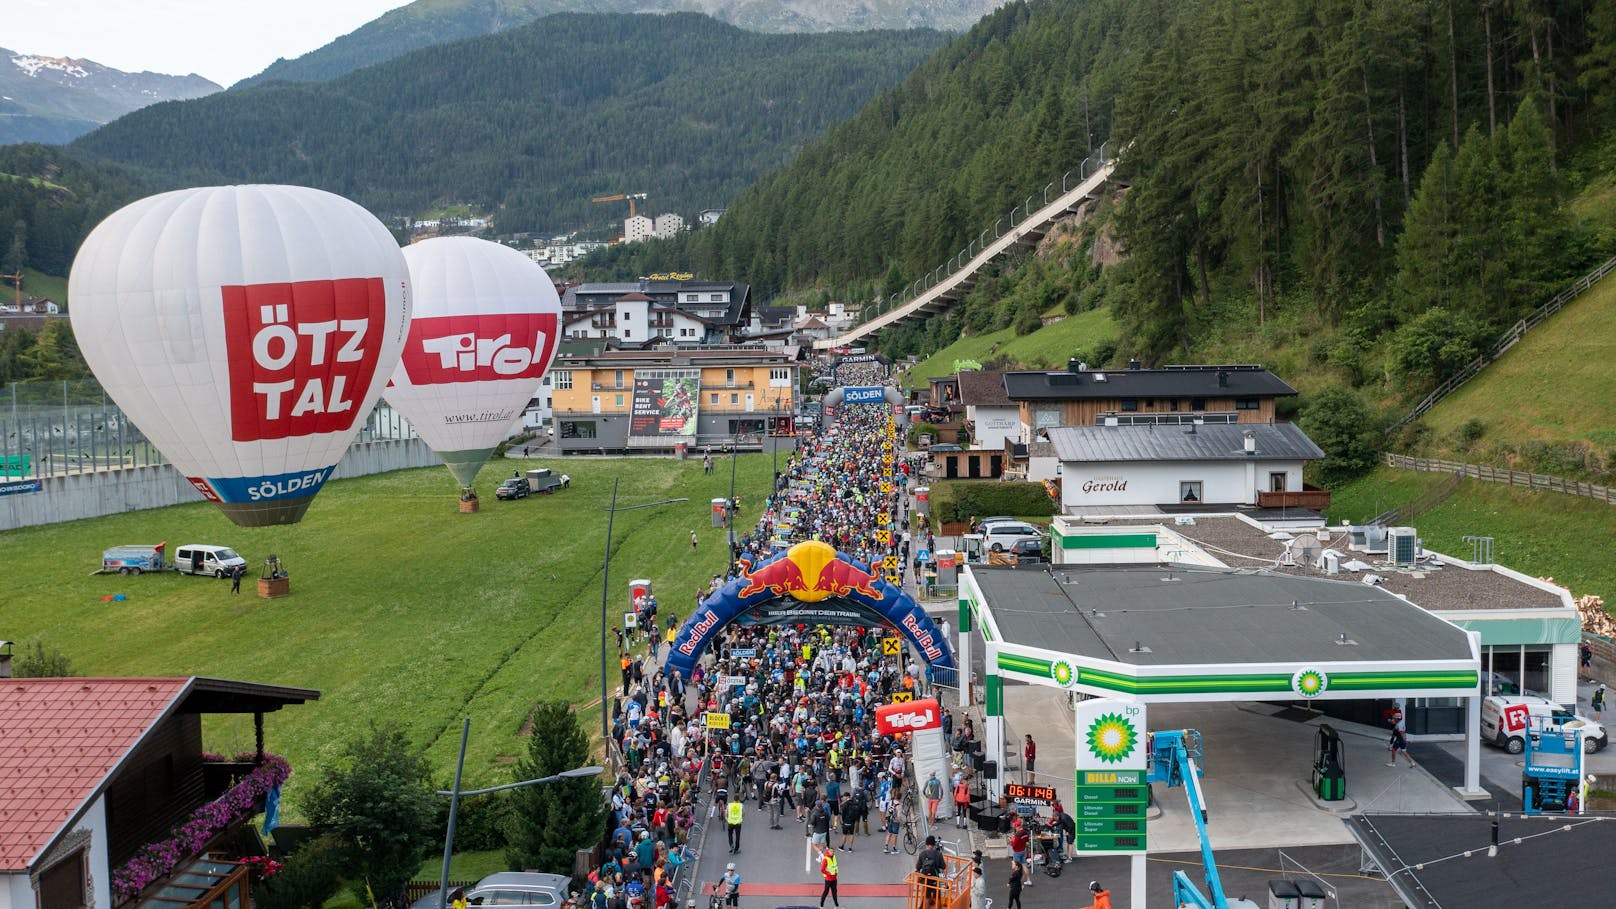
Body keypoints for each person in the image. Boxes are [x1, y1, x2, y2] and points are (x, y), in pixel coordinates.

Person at [915, 835, 945, 908]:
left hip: (926, 879)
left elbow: (917, 867)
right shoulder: (938, 854)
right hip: (935, 879)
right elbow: (943, 866)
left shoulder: (922, 853)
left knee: (927, 897)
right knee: (937, 897)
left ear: (926, 844)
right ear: (934, 844)